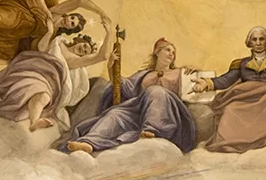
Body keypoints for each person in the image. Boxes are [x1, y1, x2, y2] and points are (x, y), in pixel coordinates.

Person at [0, 13, 113, 132]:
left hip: (50, 79)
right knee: (20, 84)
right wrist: (49, 32)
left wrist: (109, 32)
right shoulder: (59, 42)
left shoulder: (76, 61)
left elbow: (102, 56)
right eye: (84, 46)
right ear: (79, 40)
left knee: (43, 95)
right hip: (35, 67)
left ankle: (34, 122)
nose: (82, 50)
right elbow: (42, 48)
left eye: (85, 52)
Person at [61, 38, 198, 155]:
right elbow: (125, 87)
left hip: (166, 115)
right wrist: (111, 67)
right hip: (137, 111)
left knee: (155, 91)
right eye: (168, 50)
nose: (172, 54)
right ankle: (89, 143)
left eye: (173, 53)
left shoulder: (180, 72)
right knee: (115, 113)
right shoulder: (143, 75)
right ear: (157, 52)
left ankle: (151, 130)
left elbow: (196, 88)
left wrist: (193, 74)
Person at [192, 27, 266, 153]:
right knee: (230, 110)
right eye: (255, 39)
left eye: (262, 39)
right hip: (248, 98)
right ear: (250, 43)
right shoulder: (241, 64)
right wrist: (206, 83)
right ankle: (262, 139)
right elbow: (226, 80)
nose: (258, 43)